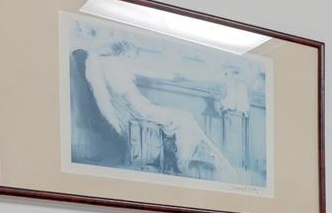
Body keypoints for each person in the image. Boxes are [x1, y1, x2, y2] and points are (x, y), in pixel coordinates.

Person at [82, 35, 233, 182]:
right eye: (130, 56)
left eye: (133, 57)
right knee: (186, 118)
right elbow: (131, 102)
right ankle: (186, 163)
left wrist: (174, 76)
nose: (131, 61)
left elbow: (147, 74)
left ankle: (198, 160)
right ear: (121, 54)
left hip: (142, 108)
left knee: (186, 119)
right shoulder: (115, 67)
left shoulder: (114, 65)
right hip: (141, 110)